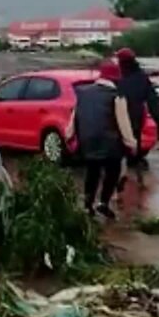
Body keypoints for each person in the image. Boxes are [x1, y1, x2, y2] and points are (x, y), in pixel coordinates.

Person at [66, 59, 137, 220]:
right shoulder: (117, 97)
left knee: (92, 171)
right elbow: (123, 123)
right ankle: (103, 203)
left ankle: (88, 204)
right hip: (110, 143)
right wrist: (131, 143)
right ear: (116, 78)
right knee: (113, 171)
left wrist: (69, 135)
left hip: (87, 140)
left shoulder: (82, 93)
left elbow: (74, 117)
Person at [114, 47, 159, 190]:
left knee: (119, 148)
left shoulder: (119, 77)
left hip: (119, 116)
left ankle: (121, 178)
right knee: (134, 147)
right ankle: (138, 178)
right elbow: (152, 99)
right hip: (136, 117)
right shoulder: (142, 77)